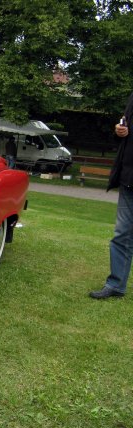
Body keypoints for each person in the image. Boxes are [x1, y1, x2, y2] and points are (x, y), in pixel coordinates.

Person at [89, 98, 133, 299]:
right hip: (128, 178)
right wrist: (120, 130)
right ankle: (116, 284)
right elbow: (125, 131)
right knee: (122, 234)